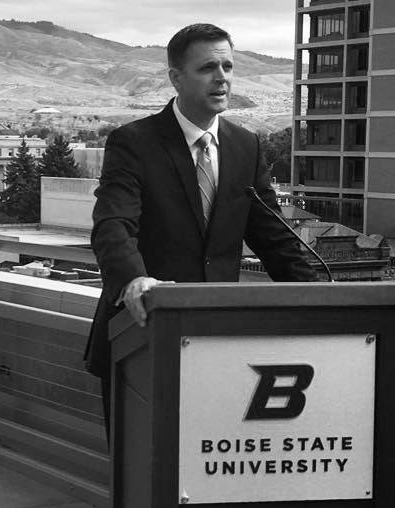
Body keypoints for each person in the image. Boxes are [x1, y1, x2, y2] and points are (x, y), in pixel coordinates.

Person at [84, 22, 316, 431]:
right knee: (141, 476)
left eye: (227, 66)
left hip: (218, 344)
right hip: (144, 335)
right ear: (176, 78)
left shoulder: (246, 145)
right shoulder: (133, 142)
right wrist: (135, 280)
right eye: (208, 67)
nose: (222, 77)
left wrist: (326, 301)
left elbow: (273, 237)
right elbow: (113, 224)